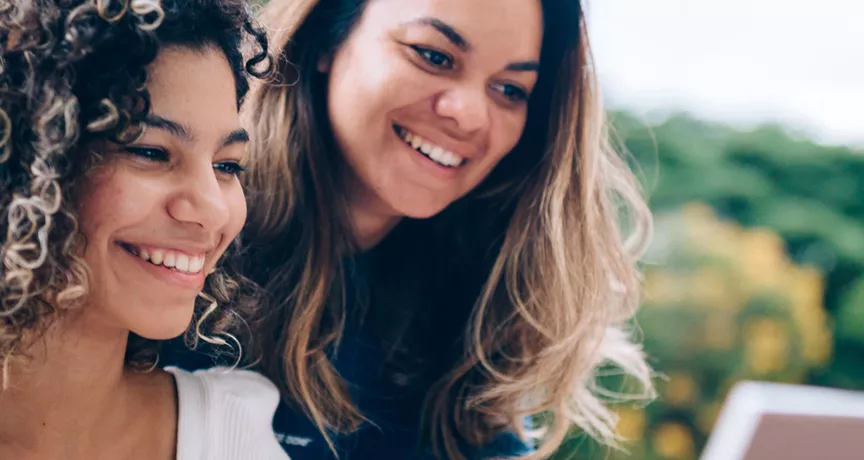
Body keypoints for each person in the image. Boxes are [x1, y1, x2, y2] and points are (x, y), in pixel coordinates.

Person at [168, 0, 655, 458]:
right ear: (326, 38)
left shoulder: (477, 332)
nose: (469, 115)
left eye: (510, 90)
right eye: (433, 56)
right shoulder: (174, 249)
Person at [0, 1, 286, 459]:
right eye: (152, 152)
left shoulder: (232, 436)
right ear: (27, 162)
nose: (213, 210)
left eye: (228, 165)